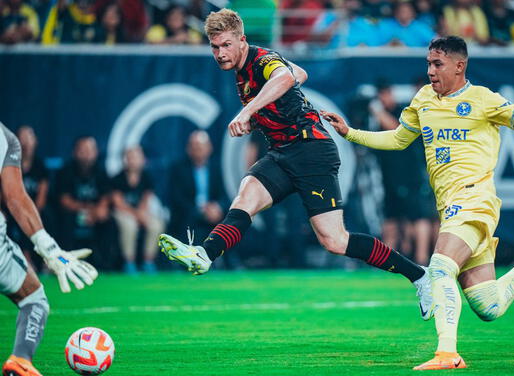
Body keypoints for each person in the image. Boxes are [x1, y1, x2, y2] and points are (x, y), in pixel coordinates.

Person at [321, 36, 514, 370]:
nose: (430, 70)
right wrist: (350, 132)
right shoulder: (423, 100)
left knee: (440, 268)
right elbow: (398, 139)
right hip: (451, 208)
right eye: (428, 63)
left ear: (459, 66)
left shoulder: (482, 99)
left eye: (437, 64)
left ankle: (447, 353)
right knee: (489, 306)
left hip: (475, 199)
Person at [158, 9, 432, 318]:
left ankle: (420, 275)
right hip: (282, 152)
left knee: (335, 240)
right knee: (245, 197)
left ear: (242, 40)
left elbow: (286, 76)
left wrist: (248, 112)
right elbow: (299, 73)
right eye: (214, 47)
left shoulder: (261, 61)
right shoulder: (244, 68)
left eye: (225, 45)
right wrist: (264, 110)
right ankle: (205, 254)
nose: (220, 54)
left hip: (312, 150)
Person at [0, 122, 98, 376]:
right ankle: (20, 361)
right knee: (34, 299)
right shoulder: (5, 139)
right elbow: (16, 198)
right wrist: (50, 249)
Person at [368, 80, 437, 265]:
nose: (383, 99)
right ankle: (385, 261)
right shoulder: (375, 119)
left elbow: (395, 130)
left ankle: (422, 258)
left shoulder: (403, 111)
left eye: (385, 94)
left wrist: (377, 110)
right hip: (389, 177)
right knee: (392, 218)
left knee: (419, 216)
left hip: (411, 174)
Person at [55, 136, 112, 269]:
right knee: (63, 221)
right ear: (74, 152)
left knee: (109, 221)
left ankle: (105, 264)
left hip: (95, 214)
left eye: (90, 150)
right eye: (82, 150)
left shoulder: (100, 171)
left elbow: (106, 197)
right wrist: (87, 211)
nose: (86, 154)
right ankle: (64, 263)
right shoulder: (66, 171)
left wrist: (98, 211)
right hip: (73, 213)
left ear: (96, 152)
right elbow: (64, 201)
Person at [112, 146, 165, 274]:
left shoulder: (147, 177)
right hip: (122, 213)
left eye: (136, 157)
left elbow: (146, 199)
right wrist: (136, 215)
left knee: (156, 225)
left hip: (140, 212)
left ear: (143, 160)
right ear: (125, 160)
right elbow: (118, 203)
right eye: (130, 157)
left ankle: (148, 261)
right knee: (129, 225)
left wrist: (141, 214)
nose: (133, 160)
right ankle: (129, 262)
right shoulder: (117, 178)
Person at [6, 126, 49, 271]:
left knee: (45, 217)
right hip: (10, 209)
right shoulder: (7, 164)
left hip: (33, 210)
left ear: (35, 142)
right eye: (22, 138)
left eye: (29, 138)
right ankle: (23, 258)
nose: (25, 143)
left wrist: (30, 213)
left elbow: (42, 196)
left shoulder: (40, 166)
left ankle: (50, 259)